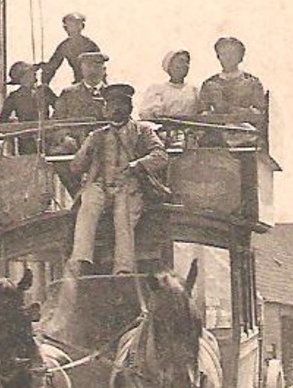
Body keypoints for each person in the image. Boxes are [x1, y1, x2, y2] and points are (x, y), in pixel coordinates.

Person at [68, 84, 167, 275]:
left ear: (129, 108)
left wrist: (137, 164)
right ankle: (81, 259)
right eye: (111, 105)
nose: (116, 109)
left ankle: (123, 268)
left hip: (129, 186)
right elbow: (75, 167)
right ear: (105, 110)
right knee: (88, 202)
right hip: (100, 185)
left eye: (121, 104)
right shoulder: (97, 136)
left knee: (124, 214)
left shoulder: (143, 131)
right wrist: (86, 149)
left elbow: (161, 155)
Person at [196, 36, 266, 148]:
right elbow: (202, 112)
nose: (228, 57)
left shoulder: (252, 82)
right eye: (223, 53)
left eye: (233, 53)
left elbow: (260, 112)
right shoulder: (209, 84)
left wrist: (238, 112)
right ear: (218, 57)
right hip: (216, 135)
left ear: (241, 57)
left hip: (246, 135)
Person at [49, 52, 109, 156]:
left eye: (96, 67)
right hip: (75, 147)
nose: (92, 71)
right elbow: (56, 122)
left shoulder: (112, 93)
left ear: (104, 70)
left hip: (104, 147)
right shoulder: (69, 93)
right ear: (82, 70)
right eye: (88, 67)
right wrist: (64, 137)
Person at [0, 61, 55, 154]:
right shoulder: (14, 97)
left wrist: (53, 122)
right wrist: (14, 127)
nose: (35, 75)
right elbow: (2, 121)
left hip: (49, 138)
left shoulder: (45, 91)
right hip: (26, 141)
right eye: (32, 72)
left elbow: (61, 108)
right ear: (23, 78)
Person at [40, 13, 101, 88]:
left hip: (94, 82)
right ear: (65, 28)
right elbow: (53, 65)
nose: (72, 29)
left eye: (76, 25)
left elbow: (100, 65)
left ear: (82, 27)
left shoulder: (90, 45)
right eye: (69, 26)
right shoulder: (65, 46)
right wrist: (44, 83)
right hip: (79, 83)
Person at [139, 50, 199, 121]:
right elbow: (147, 113)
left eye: (187, 62)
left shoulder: (194, 90)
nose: (185, 65)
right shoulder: (157, 89)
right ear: (170, 65)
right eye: (181, 61)